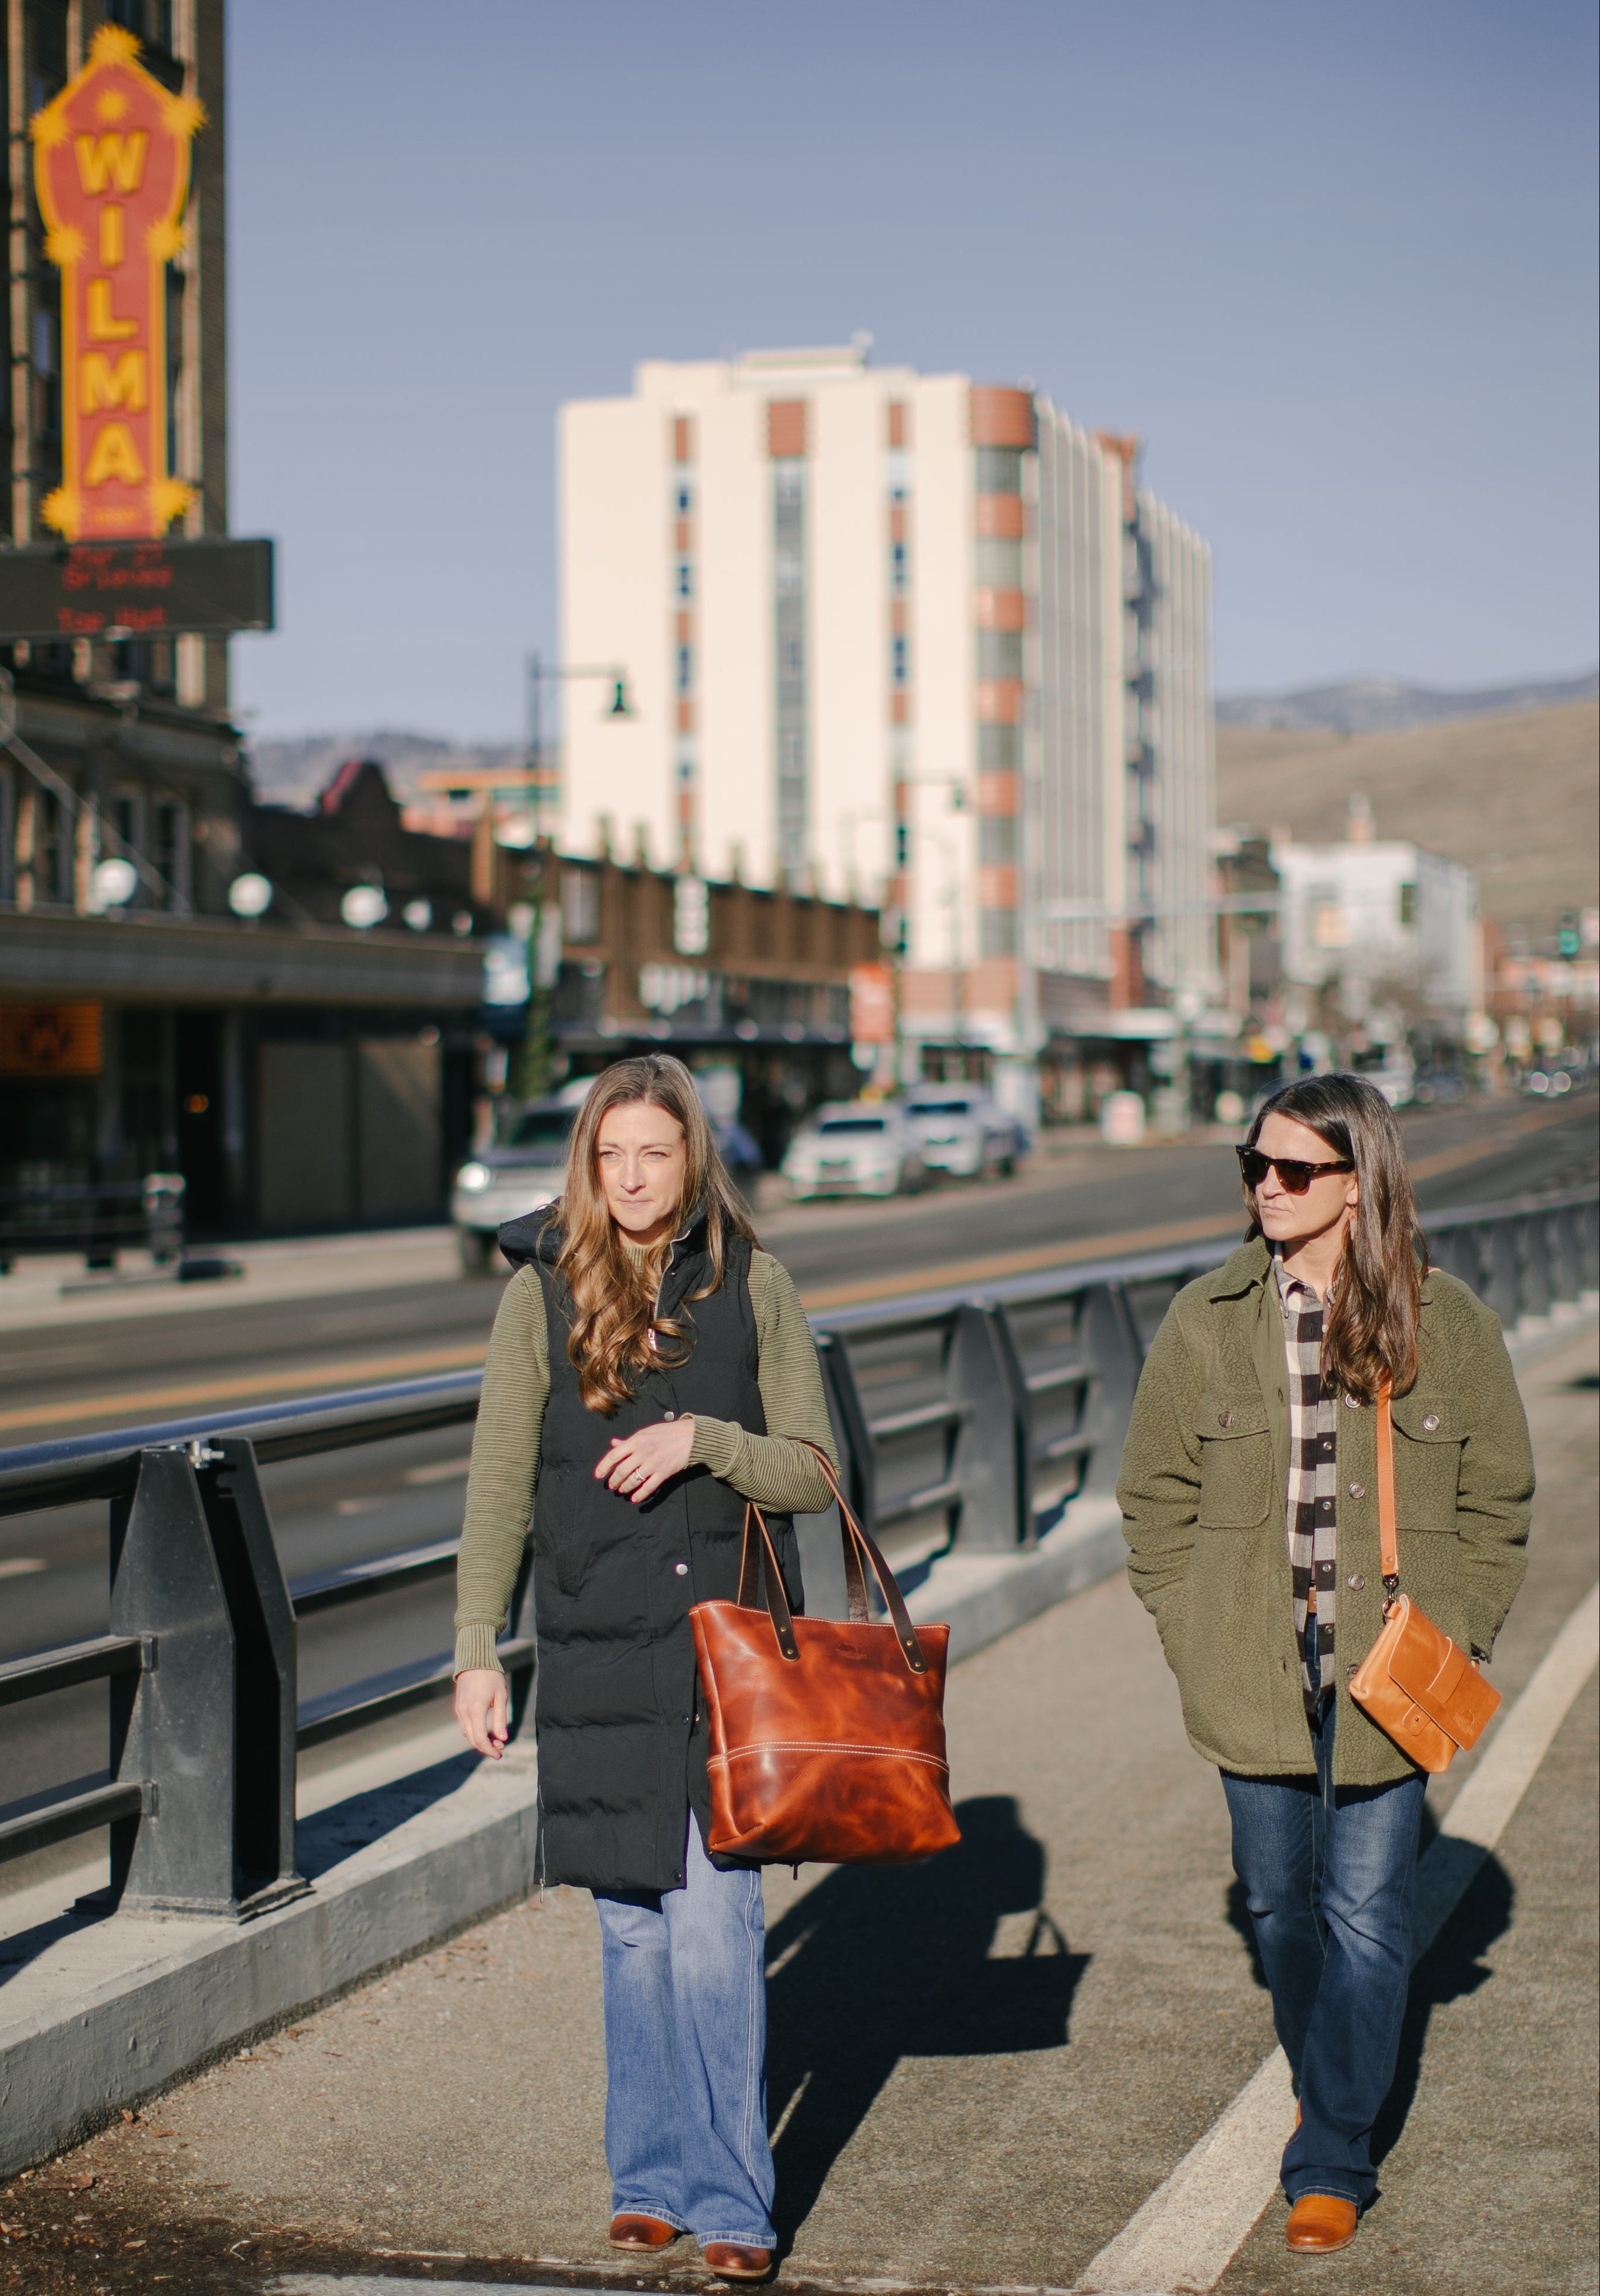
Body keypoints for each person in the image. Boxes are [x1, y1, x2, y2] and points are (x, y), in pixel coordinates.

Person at [1117, 1073, 1534, 2256]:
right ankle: (1326, 2074)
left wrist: (1462, 1631)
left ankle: (1334, 2154)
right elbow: (1153, 1496)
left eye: (1295, 1169)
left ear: (1359, 1183)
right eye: (1254, 1164)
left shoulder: (1444, 1322)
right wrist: (1188, 1629)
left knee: (1366, 1915)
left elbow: (1498, 1497)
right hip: (1249, 1667)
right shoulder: (1206, 1318)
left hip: (1385, 1675)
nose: (1267, 1185)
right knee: (1274, 1904)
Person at [452, 1054, 839, 2281]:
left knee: (715, 1922)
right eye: (609, 1154)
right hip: (597, 1645)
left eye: (653, 1153)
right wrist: (477, 1647)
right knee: (631, 1928)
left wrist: (703, 1441)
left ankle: (732, 2200)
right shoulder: (539, 1291)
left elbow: (816, 1468)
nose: (629, 1177)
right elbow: (499, 1482)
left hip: (724, 1649)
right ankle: (650, 2179)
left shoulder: (753, 1282)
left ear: (692, 1159)